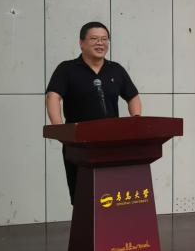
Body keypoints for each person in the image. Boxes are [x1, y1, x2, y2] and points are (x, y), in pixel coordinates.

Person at [46, 21, 142, 204]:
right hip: (79, 144)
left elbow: (133, 96)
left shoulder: (116, 69)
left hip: (112, 142)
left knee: (113, 196)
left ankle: (112, 223)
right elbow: (53, 96)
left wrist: (136, 120)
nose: (100, 43)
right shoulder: (67, 69)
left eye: (104, 39)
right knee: (84, 197)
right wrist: (59, 128)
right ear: (81, 43)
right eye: (94, 39)